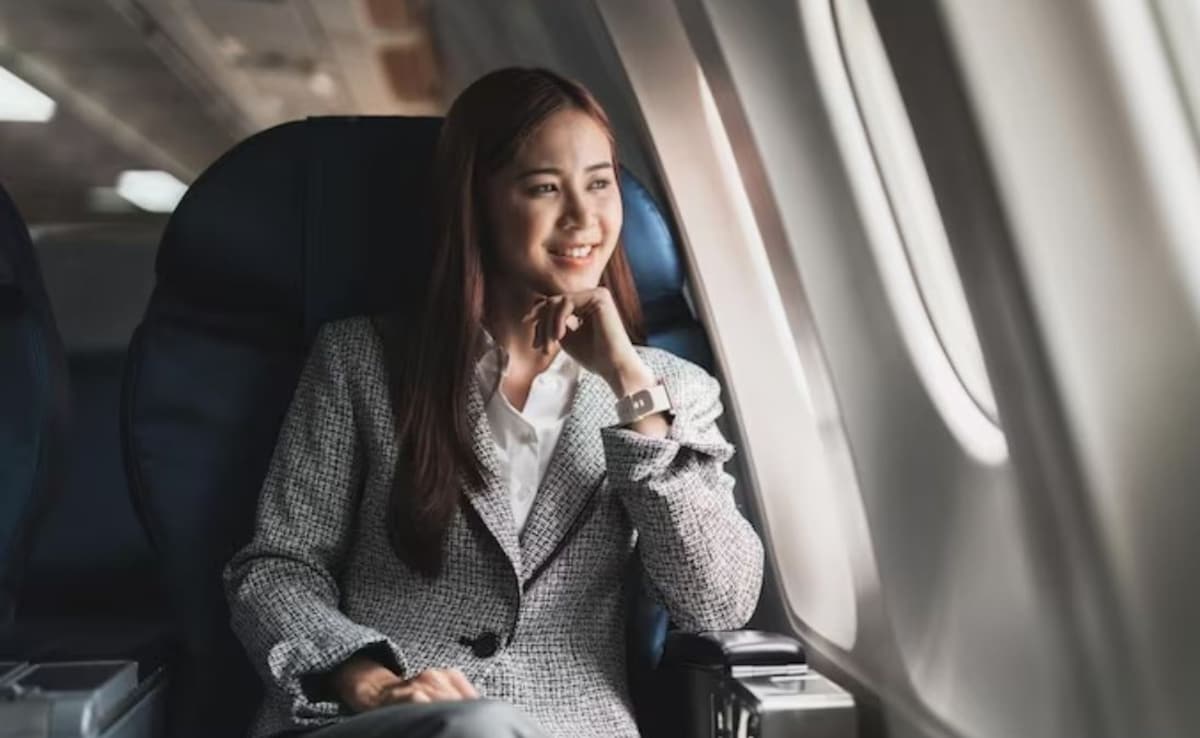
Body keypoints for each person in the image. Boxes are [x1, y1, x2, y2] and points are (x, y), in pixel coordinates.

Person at [223, 66, 764, 738]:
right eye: (544, 187)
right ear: (475, 203)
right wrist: (368, 681)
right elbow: (277, 568)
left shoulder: (668, 392)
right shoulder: (359, 360)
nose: (583, 217)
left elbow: (717, 605)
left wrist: (631, 388)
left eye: (600, 183)